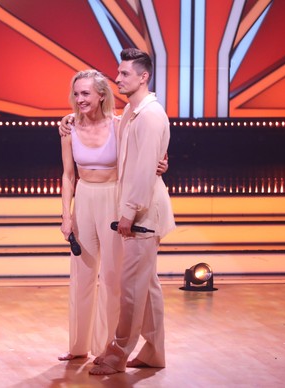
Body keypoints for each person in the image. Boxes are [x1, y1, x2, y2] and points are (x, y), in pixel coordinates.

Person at [58, 70, 168, 362]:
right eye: (76, 94)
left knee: (112, 276)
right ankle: (78, 345)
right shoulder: (69, 129)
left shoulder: (120, 126)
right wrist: (66, 216)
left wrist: (161, 163)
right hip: (84, 200)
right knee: (82, 275)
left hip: (113, 198)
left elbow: (141, 157)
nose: (80, 100)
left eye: (86, 94)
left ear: (101, 95)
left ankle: (107, 346)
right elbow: (68, 176)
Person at [89, 48, 176, 375]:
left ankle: (118, 353)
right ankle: (153, 351)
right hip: (139, 210)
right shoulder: (132, 112)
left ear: (144, 77)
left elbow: (142, 171)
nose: (118, 78)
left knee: (132, 287)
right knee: (147, 284)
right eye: (118, 72)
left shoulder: (150, 115)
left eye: (124, 73)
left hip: (143, 215)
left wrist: (128, 213)